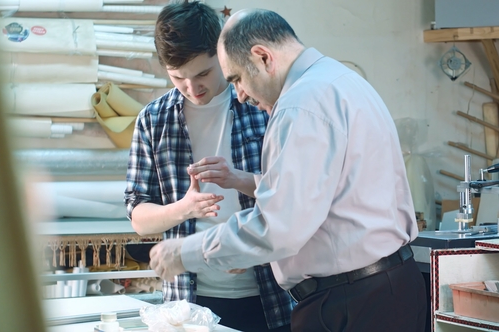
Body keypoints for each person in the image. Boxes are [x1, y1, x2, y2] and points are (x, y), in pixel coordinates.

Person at [149, 8, 428, 332]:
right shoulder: (339, 80)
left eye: (237, 78)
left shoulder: (300, 106)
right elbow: (322, 192)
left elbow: (279, 225)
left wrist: (186, 252)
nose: (240, 94)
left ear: (263, 57)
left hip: (351, 300)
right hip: (384, 288)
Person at [124, 3, 294, 331]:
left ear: (221, 53)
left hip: (270, 293)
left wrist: (241, 181)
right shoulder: (153, 120)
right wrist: (184, 208)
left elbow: (292, 197)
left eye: (203, 73)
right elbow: (139, 220)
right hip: (188, 303)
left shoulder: (263, 107)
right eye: (178, 78)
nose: (193, 88)